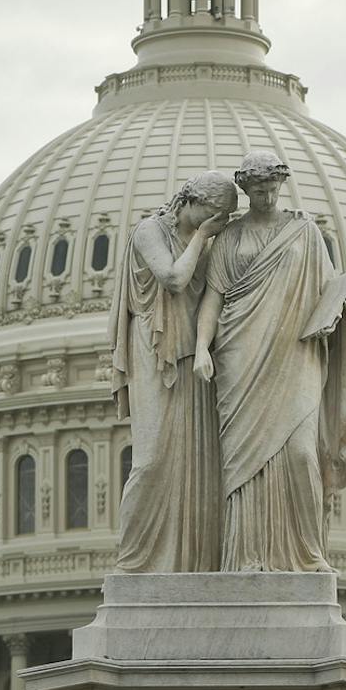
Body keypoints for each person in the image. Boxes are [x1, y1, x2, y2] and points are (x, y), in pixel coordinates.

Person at [193, 151, 346, 572]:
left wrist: (333, 314)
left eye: (272, 188)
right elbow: (212, 299)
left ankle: (306, 556)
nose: (266, 196)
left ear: (281, 186)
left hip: (296, 352)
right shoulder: (230, 238)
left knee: (301, 455)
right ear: (246, 191)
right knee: (243, 465)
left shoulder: (304, 233)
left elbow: (330, 290)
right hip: (240, 356)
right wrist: (201, 348)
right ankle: (246, 556)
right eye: (257, 190)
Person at [110, 171, 237, 572]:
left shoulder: (214, 242)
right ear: (189, 201)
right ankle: (135, 563)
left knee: (196, 463)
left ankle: (192, 563)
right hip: (154, 347)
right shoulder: (150, 230)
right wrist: (202, 237)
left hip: (194, 358)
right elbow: (174, 278)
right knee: (150, 460)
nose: (215, 223)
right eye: (211, 214)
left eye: (222, 218)